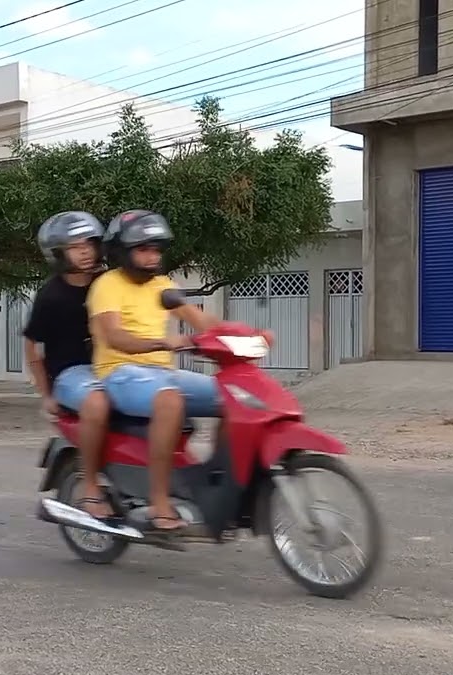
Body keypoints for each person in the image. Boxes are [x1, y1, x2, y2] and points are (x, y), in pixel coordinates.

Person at [88, 210, 274, 532]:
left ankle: (218, 482)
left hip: (162, 373)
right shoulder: (108, 285)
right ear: (122, 251)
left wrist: (248, 335)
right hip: (120, 372)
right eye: (143, 249)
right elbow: (115, 336)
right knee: (170, 400)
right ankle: (159, 502)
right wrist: (164, 342)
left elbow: (202, 321)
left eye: (156, 250)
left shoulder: (163, 285)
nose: (152, 256)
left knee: (234, 396)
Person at [23, 210, 114, 519]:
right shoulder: (51, 295)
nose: (85, 252)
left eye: (89, 244)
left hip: (110, 367)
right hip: (70, 375)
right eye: (75, 247)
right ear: (59, 253)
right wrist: (46, 394)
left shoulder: (107, 282)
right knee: (97, 403)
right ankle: (89, 486)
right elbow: (33, 346)